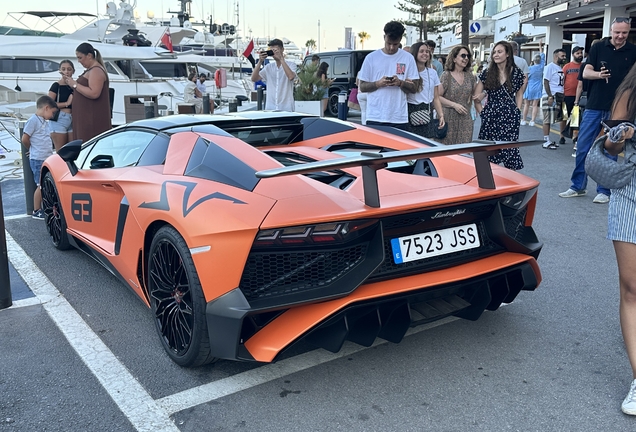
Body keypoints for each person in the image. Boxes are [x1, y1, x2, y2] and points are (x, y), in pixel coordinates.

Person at [559, 17, 636, 204]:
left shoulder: (633, 51)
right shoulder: (598, 47)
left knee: (611, 149)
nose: (620, 36)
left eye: (624, 33)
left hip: (618, 109)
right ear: (611, 30)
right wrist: (599, 75)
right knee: (584, 146)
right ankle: (577, 186)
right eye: (617, 32)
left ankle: (605, 190)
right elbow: (585, 73)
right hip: (594, 105)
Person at [597, 62, 636, 415]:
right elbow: (608, 146)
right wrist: (615, 139)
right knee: (631, 288)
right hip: (631, 192)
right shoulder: (630, 91)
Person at [473, 41, 525, 170]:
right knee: (489, 152)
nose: (496, 55)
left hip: (510, 115)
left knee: (509, 150)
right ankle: (489, 183)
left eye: (499, 52)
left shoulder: (517, 73)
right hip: (491, 115)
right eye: (494, 52)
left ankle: (510, 184)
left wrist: (517, 112)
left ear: (508, 54)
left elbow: (519, 94)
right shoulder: (487, 73)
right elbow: (476, 97)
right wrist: (483, 114)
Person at [357, 21, 419, 130]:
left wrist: (400, 83)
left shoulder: (408, 58)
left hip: (399, 118)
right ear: (384, 37)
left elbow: (415, 88)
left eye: (395, 44)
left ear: (400, 40)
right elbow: (362, 87)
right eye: (388, 43)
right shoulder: (371, 58)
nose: (391, 47)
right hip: (375, 116)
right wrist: (378, 83)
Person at [63, 42, 111, 143]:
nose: (79, 61)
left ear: (89, 55)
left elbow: (94, 93)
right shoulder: (90, 70)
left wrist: (75, 84)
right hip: (85, 119)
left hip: (91, 120)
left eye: (80, 57)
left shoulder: (96, 71)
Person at [21, 96, 56, 220]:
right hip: (38, 158)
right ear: (46, 108)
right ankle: (36, 210)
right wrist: (31, 149)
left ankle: (45, 206)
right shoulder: (33, 121)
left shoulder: (43, 122)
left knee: (45, 183)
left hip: (46, 157)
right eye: (52, 112)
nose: (52, 116)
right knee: (40, 184)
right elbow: (25, 138)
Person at [407, 42, 446, 138]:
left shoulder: (432, 73)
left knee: (427, 145)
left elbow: (436, 98)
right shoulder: (408, 72)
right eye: (421, 51)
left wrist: (441, 115)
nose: (425, 54)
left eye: (427, 52)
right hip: (409, 111)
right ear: (415, 53)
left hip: (426, 111)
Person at [438, 45, 476, 144]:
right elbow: (437, 97)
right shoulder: (446, 75)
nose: (466, 58)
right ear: (454, 58)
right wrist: (454, 105)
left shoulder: (470, 77)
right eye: (463, 56)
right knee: (447, 150)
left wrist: (483, 94)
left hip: (465, 119)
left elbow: (476, 94)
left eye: (468, 56)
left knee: (464, 151)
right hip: (448, 118)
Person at [251, 38, 297, 111]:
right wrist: (260, 62)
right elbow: (254, 79)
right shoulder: (268, 67)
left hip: (286, 108)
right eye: (272, 51)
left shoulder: (292, 65)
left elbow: (291, 77)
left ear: (282, 49)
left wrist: (281, 59)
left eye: (276, 50)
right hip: (270, 108)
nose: (274, 53)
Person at [541, 48, 567, 149]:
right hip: (551, 96)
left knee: (554, 118)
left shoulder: (559, 68)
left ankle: (548, 140)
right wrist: (550, 96)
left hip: (558, 96)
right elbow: (546, 81)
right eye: (562, 56)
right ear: (556, 56)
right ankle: (546, 140)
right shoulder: (549, 67)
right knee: (547, 119)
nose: (564, 58)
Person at [48, 60, 75, 152]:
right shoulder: (56, 85)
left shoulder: (74, 85)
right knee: (61, 151)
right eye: (63, 69)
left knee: (72, 149)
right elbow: (49, 104)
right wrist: (67, 103)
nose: (66, 72)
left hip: (72, 119)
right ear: (60, 71)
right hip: (59, 118)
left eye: (69, 69)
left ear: (73, 71)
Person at [562, 46, 584, 148]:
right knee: (564, 116)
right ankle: (562, 135)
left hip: (579, 96)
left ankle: (575, 137)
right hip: (567, 95)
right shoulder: (567, 66)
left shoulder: (584, 66)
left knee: (576, 118)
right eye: (578, 53)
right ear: (573, 54)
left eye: (581, 53)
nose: (580, 55)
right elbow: (562, 80)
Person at [522, 51, 545, 126]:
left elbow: (526, 78)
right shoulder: (542, 67)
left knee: (526, 104)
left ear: (533, 60)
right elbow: (543, 56)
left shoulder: (529, 68)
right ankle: (532, 121)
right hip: (538, 86)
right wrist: (540, 47)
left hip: (529, 86)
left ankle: (524, 119)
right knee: (535, 105)